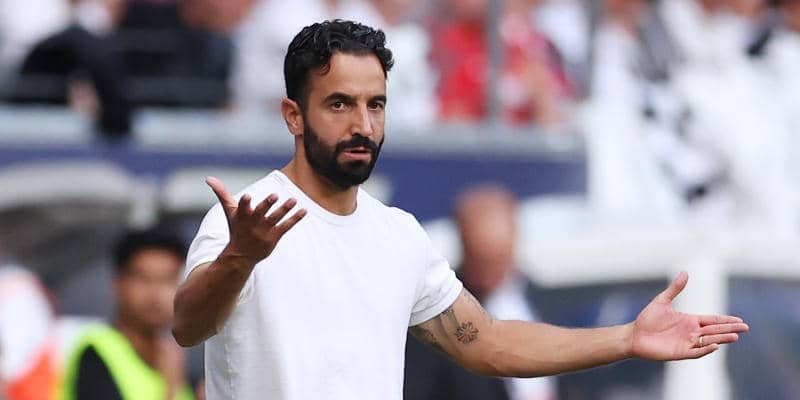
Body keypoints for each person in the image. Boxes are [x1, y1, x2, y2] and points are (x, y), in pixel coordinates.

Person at [172, 19, 749, 400]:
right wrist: (240, 258)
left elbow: (487, 341)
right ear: (293, 116)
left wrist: (625, 338)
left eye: (376, 105)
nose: (363, 125)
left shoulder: (398, 235)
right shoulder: (245, 217)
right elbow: (188, 326)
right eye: (340, 104)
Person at [405, 185, 556, 400]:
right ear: (463, 245)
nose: (487, 276)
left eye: (497, 261)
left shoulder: (543, 300)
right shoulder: (438, 315)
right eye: (480, 261)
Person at [59, 229, 194, 400]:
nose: (155, 294)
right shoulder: (96, 352)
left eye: (167, 280)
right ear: (118, 284)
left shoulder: (174, 360)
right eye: (143, 279)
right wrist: (170, 390)